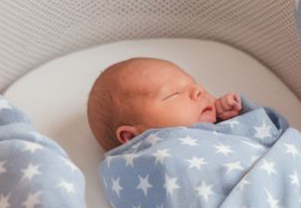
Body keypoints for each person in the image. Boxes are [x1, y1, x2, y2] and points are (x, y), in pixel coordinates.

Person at [87, 58, 242, 150]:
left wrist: (224, 116)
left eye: (193, 83)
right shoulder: (153, 168)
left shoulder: (220, 128)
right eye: (173, 94)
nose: (199, 90)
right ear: (133, 138)